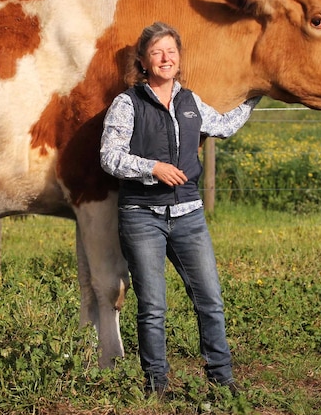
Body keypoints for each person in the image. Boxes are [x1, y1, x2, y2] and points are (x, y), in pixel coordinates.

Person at [99, 21, 260, 397]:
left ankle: (222, 381)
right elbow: (109, 157)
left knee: (210, 300)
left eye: (171, 51)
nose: (165, 58)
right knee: (153, 306)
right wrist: (151, 167)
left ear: (179, 58)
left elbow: (224, 125)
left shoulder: (191, 102)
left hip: (189, 215)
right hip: (142, 216)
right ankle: (156, 387)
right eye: (156, 52)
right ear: (143, 60)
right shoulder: (127, 104)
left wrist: (256, 95)